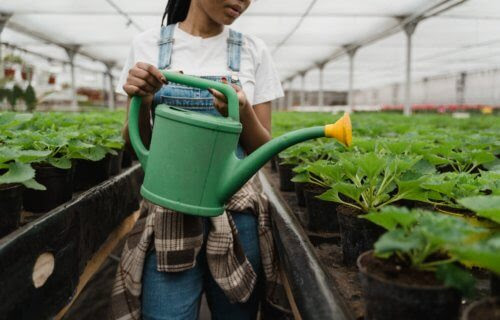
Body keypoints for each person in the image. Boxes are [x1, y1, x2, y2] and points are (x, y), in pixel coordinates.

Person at [111, 1, 285, 319]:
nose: (241, 2)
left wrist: (241, 110)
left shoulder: (253, 50)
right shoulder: (148, 45)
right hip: (169, 214)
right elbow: (139, 143)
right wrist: (144, 97)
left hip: (236, 214)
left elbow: (263, 150)